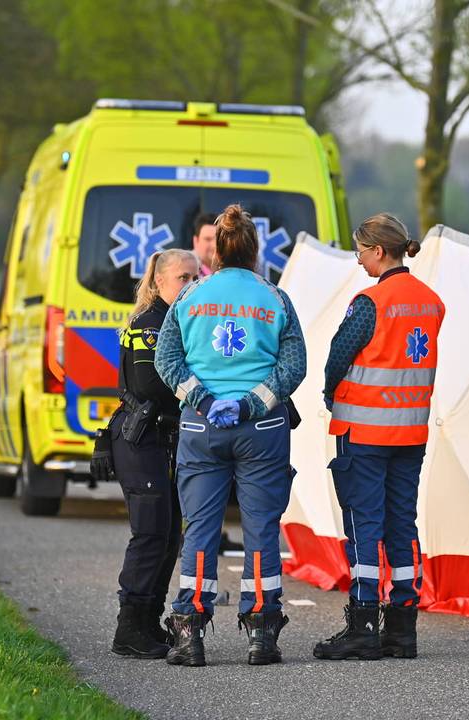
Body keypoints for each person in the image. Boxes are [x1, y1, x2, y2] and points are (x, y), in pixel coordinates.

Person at [155, 204, 307, 667]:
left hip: (202, 429)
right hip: (262, 430)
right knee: (261, 529)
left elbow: (166, 360)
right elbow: (293, 367)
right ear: (254, 250)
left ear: (214, 251)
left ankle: (189, 633)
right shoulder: (275, 298)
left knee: (200, 529)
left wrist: (203, 400)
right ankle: (262, 632)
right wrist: (249, 404)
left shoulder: (189, 297)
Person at [313, 213, 445, 661]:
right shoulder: (431, 302)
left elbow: (338, 357)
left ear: (378, 250)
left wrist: (331, 393)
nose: (359, 260)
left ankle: (364, 624)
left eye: (360, 252)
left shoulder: (370, 302)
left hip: (365, 434)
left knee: (364, 525)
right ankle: (403, 626)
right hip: (411, 433)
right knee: (402, 524)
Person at [108, 248, 200, 658]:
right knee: (150, 534)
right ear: (159, 281)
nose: (192, 285)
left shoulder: (179, 321)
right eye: (183, 277)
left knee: (167, 535)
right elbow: (150, 385)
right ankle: (128, 629)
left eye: (196, 277)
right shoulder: (150, 324)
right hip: (140, 439)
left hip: (162, 441)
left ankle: (148, 622)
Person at [191, 212, 218, 277]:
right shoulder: (184, 269)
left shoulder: (236, 270)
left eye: (219, 239)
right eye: (208, 239)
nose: (214, 245)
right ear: (196, 241)